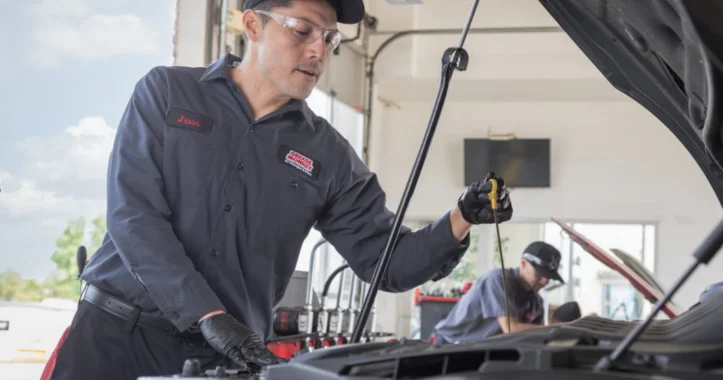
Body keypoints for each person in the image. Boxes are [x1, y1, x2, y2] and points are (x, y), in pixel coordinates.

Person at [48, 0, 514, 379]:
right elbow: (134, 217)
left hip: (223, 364)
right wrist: (208, 315)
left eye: (330, 39)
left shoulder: (329, 154)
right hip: (112, 340)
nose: (319, 51)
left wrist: (460, 219)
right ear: (253, 24)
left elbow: (385, 262)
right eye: (302, 30)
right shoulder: (167, 93)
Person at [431, 241, 564, 345]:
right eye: (540, 274)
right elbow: (511, 329)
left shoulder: (536, 302)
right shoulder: (497, 280)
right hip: (450, 345)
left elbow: (535, 335)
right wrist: (558, 328)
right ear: (523, 263)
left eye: (549, 276)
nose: (544, 281)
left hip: (480, 350)